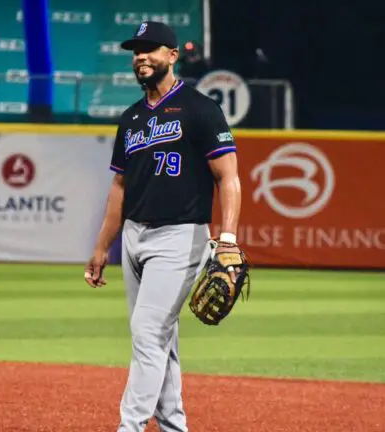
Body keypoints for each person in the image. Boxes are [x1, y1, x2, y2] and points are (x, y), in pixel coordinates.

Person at [83, 21, 243, 431]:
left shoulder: (200, 108)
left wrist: (226, 239)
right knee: (159, 340)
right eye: (136, 50)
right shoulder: (131, 118)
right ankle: (174, 426)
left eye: (151, 48)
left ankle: (130, 427)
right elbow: (119, 186)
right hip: (134, 236)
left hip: (180, 236)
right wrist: (103, 246)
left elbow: (229, 178)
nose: (141, 56)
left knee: (147, 332)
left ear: (172, 56)